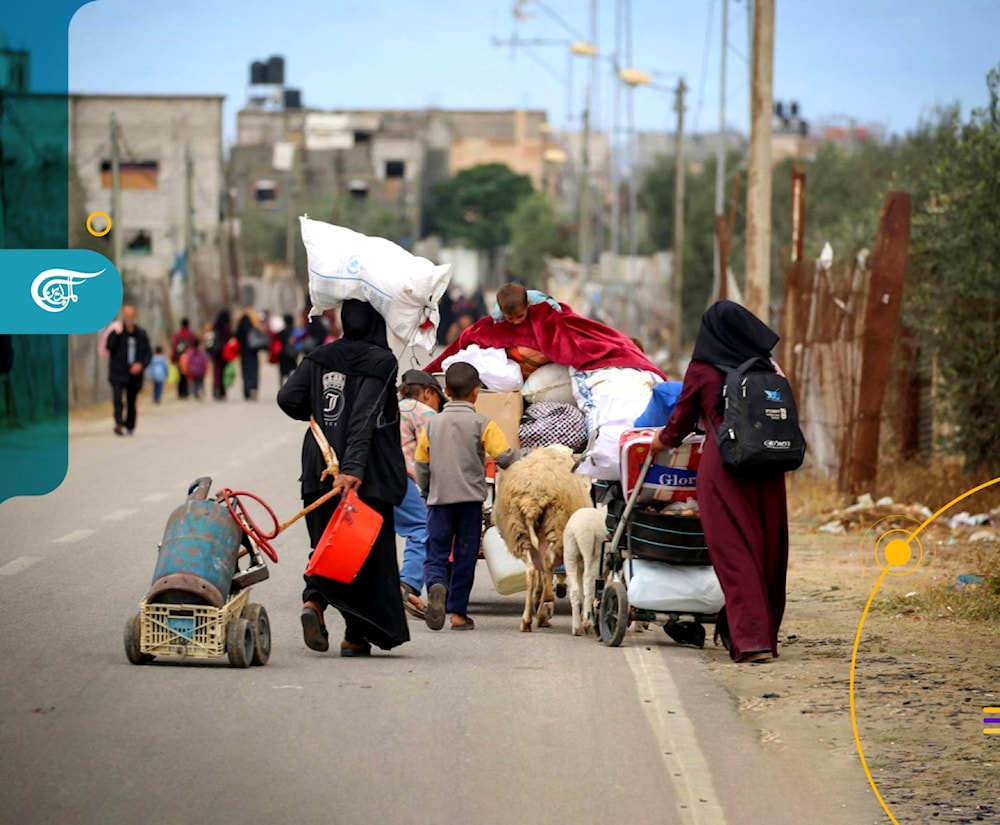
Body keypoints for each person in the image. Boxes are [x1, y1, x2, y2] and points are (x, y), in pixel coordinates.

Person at [654, 300, 790, 664]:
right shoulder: (768, 366)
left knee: (734, 552)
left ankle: (751, 641)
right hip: (769, 469)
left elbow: (679, 422)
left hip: (725, 469)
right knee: (767, 550)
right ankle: (753, 632)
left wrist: (658, 442)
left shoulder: (702, 369)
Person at [277, 299, 409, 657]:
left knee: (325, 545)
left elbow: (288, 398)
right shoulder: (381, 362)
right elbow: (364, 417)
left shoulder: (321, 355)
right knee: (362, 553)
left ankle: (314, 605)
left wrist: (319, 408)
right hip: (361, 474)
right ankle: (354, 637)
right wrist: (352, 470)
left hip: (318, 465)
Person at [415, 362, 521, 631]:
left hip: (439, 502)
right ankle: (459, 614)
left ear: (446, 391)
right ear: (476, 392)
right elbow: (505, 457)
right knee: (464, 556)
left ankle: (437, 585)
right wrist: (531, 458)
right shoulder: (483, 423)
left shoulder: (432, 424)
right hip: (470, 504)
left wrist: (427, 492)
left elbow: (422, 464)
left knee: (436, 554)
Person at [395, 369, 447, 619]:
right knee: (421, 529)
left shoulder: (390, 408)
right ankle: (407, 585)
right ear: (428, 392)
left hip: (373, 479)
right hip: (402, 479)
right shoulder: (424, 413)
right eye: (438, 399)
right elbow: (434, 454)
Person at [106, 304, 152, 436]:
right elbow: (109, 347)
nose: (128, 318)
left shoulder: (141, 334)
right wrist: (116, 335)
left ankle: (130, 424)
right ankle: (118, 422)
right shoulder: (116, 331)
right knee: (117, 398)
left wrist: (141, 365)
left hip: (134, 373)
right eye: (126, 316)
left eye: (131, 316)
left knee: (131, 400)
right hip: (118, 371)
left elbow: (147, 354)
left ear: (135, 316)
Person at [490, 283, 562, 325]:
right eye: (510, 318)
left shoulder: (539, 301)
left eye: (520, 316)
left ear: (527, 304)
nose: (516, 322)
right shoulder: (497, 315)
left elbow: (558, 309)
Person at [235, 308, 266, 400]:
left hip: (244, 354)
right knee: (253, 372)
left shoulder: (240, 331)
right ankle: (253, 388)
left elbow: (235, 339)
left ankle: (247, 391)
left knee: (245, 373)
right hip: (253, 354)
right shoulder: (253, 330)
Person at [170, 318, 196, 399]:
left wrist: (173, 358)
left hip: (179, 358)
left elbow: (174, 347)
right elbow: (194, 345)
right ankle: (186, 392)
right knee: (186, 375)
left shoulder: (177, 335)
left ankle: (180, 393)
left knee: (180, 375)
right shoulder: (191, 335)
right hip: (188, 357)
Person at [210, 309, 232, 400]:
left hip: (215, 352)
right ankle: (222, 391)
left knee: (216, 371)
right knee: (222, 372)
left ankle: (216, 389)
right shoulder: (226, 327)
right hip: (224, 352)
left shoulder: (215, 327)